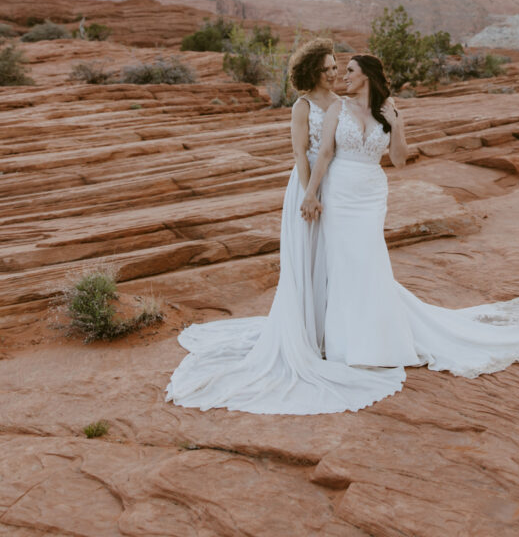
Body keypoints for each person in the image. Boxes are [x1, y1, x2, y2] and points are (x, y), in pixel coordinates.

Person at [166, 49, 519, 415]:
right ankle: (345, 344)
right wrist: (312, 194)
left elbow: (401, 160)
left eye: (350, 70)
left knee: (369, 262)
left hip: (372, 192)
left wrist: (398, 122)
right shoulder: (335, 108)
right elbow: (325, 153)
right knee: (347, 264)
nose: (343, 76)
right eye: (339, 69)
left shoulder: (383, 111)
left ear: (366, 77)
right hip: (338, 191)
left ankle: (374, 337)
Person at [166, 39, 406, 414]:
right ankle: (309, 332)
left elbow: (364, 142)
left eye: (337, 67)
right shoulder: (303, 106)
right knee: (309, 256)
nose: (334, 72)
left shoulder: (344, 104)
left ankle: (337, 329)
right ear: (313, 71)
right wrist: (310, 193)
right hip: (312, 179)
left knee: (336, 259)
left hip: (343, 185)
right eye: (327, 68)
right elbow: (303, 152)